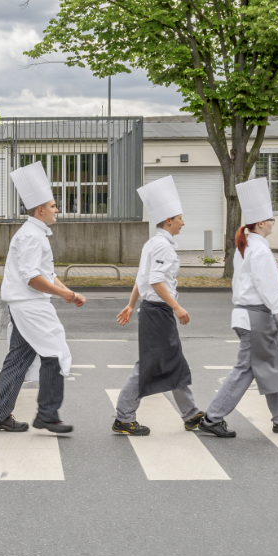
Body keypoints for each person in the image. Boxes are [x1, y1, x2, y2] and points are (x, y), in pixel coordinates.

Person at [196, 177, 278, 438]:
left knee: (271, 366)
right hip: (256, 317)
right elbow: (270, 288)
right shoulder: (260, 252)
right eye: (270, 219)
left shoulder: (247, 248)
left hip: (248, 317)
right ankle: (213, 417)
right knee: (247, 369)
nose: (273, 222)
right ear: (260, 223)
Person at [0, 161, 82, 435]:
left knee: (18, 360)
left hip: (26, 305)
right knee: (55, 352)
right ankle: (48, 414)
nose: (57, 209)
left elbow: (46, 274)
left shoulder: (34, 233)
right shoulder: (31, 236)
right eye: (53, 205)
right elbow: (32, 277)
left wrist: (66, 292)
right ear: (40, 210)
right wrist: (65, 293)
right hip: (30, 306)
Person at [112, 176, 205, 436]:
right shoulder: (163, 247)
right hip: (159, 313)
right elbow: (154, 280)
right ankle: (124, 417)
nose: (183, 222)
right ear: (168, 221)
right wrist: (176, 307)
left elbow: (141, 280)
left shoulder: (152, 244)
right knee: (148, 366)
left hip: (151, 311)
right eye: (180, 218)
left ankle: (191, 414)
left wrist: (131, 305)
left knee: (173, 363)